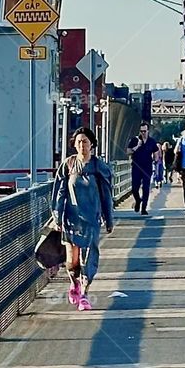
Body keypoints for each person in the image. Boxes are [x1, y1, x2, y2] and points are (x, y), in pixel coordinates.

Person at [50, 126, 114, 311]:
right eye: (78, 142)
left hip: (91, 220)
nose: (81, 145)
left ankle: (85, 294)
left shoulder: (98, 167)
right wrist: (57, 216)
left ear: (92, 144)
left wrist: (108, 219)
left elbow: (106, 195)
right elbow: (59, 192)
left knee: (89, 258)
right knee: (72, 259)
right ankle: (74, 283)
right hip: (71, 219)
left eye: (85, 141)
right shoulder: (68, 165)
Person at [127, 122, 161, 215]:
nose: (143, 133)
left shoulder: (151, 141)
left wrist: (156, 159)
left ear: (148, 131)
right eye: (141, 131)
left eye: (144, 131)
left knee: (146, 188)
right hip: (136, 167)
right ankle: (138, 201)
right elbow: (128, 151)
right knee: (135, 188)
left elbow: (156, 151)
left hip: (147, 167)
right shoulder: (134, 140)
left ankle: (144, 208)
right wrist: (137, 146)